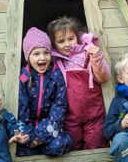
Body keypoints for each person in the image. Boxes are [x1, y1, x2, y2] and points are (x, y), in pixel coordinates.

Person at [47, 16, 110, 150]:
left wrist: (97, 58)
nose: (67, 44)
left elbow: (103, 77)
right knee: (72, 147)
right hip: (70, 116)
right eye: (61, 41)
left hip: (94, 113)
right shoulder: (55, 62)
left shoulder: (88, 54)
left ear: (77, 36)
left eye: (71, 39)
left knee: (96, 146)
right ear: (54, 44)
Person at [17, 27, 72, 156]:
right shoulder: (24, 76)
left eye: (46, 53)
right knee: (22, 151)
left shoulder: (56, 74)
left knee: (57, 146)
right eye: (36, 54)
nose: (42, 57)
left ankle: (42, 145)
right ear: (28, 56)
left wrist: (42, 135)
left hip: (49, 125)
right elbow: (22, 107)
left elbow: (59, 105)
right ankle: (34, 146)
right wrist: (30, 135)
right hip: (29, 126)